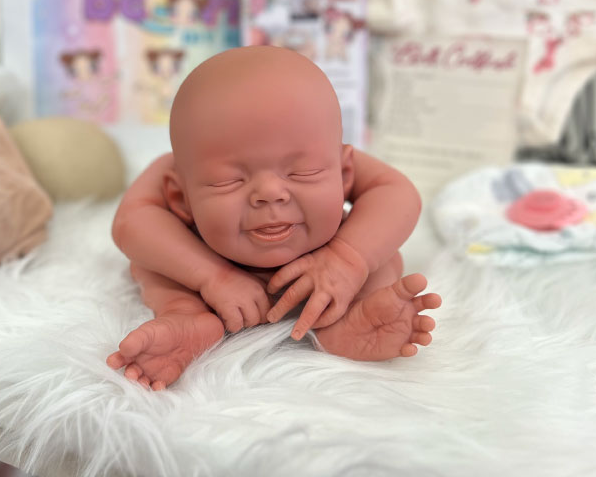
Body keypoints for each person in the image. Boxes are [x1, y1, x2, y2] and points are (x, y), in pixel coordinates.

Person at [107, 46, 441, 390]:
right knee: (153, 263)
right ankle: (186, 316)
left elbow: (397, 192)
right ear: (181, 196)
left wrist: (346, 258)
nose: (270, 193)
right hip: (213, 276)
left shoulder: (329, 151)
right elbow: (132, 221)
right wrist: (211, 276)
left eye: (303, 172)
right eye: (228, 180)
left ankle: (351, 320)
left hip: (327, 276)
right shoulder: (177, 167)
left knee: (380, 254)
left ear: (344, 173)